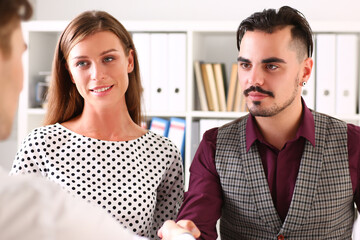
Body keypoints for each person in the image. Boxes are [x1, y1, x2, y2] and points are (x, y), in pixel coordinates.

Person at [176, 5, 360, 240]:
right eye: (245, 65)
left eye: (271, 66)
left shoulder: (353, 143)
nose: (254, 79)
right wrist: (182, 233)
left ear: (305, 71)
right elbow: (195, 227)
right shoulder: (214, 146)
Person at [10, 9, 184, 240]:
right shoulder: (41, 144)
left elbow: (163, 233)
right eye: (82, 63)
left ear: (129, 61)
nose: (97, 74)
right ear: (70, 73)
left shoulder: (164, 153)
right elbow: (13, 227)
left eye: (108, 59)